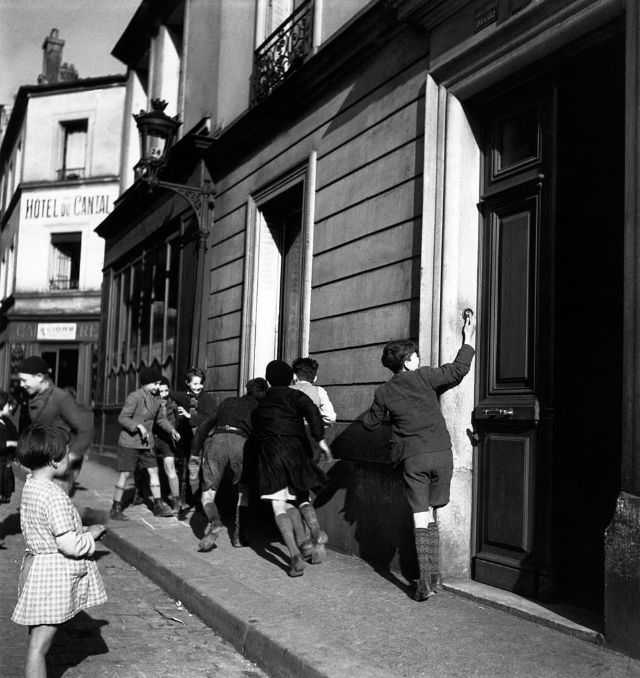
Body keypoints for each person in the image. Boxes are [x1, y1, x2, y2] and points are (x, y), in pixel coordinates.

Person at [362, 310, 476, 601]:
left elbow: (370, 423)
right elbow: (457, 371)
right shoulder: (425, 377)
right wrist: (469, 339)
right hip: (440, 453)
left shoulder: (384, 391)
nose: (418, 358)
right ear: (407, 361)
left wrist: (388, 414)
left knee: (419, 517)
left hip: (412, 457)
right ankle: (434, 577)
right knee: (435, 511)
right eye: (414, 355)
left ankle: (424, 581)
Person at [11, 424, 107, 678]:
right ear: (54, 461)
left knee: (37, 638)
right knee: (39, 646)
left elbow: (50, 528)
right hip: (51, 575)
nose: (69, 458)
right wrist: (91, 534)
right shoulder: (54, 495)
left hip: (35, 568)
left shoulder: (32, 485)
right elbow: (69, 545)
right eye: (66, 454)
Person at [252, 360, 333, 577]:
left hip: (272, 454)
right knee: (302, 496)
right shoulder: (296, 396)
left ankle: (294, 554)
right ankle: (315, 531)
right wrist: (320, 439)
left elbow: (256, 429)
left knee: (279, 506)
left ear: (268, 380)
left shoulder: (262, 401)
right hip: (296, 449)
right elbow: (313, 412)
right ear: (291, 378)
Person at [191, 377, 268, 552]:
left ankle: (215, 521)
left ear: (247, 390)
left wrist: (194, 452)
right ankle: (239, 537)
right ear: (263, 393)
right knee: (243, 492)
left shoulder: (228, 401)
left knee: (208, 494)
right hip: (241, 443)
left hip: (217, 440)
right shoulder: (260, 408)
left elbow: (205, 425)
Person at [110, 366, 181, 520]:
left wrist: (171, 430)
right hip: (130, 442)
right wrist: (137, 426)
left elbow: (161, 419)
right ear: (146, 383)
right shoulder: (134, 397)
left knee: (153, 471)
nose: (157, 386)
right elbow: (123, 418)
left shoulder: (156, 400)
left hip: (146, 443)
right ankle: (115, 508)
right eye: (154, 383)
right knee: (125, 474)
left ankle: (157, 505)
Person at [17, 356, 94, 496]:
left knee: (56, 504)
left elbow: (86, 430)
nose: (22, 385)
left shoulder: (61, 398)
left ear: (39, 377)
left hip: (60, 462)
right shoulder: (31, 397)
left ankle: (95, 517)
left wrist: (70, 458)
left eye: (24, 380)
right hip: (43, 461)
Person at [290, 357, 337, 561]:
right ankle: (312, 542)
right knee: (304, 490)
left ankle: (310, 540)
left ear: (294, 375)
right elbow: (331, 417)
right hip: (312, 443)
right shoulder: (320, 391)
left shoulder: (288, 391)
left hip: (292, 442)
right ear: (315, 376)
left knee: (295, 494)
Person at [172, 367, 217, 501]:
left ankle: (198, 501)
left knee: (200, 470)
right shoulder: (184, 396)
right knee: (185, 469)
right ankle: (184, 499)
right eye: (195, 384)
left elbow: (210, 418)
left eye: (200, 383)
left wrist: (189, 416)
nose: (199, 387)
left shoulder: (207, 399)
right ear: (187, 383)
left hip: (203, 441)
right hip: (187, 439)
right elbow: (170, 394)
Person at [155, 377, 188, 515]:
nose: (164, 394)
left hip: (166, 440)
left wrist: (175, 431)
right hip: (151, 438)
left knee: (170, 466)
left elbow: (174, 423)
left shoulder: (172, 404)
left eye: (166, 390)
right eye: (161, 391)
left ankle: (176, 501)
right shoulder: (150, 403)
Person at [0, 391, 18, 503]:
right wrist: (9, 443)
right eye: (8, 404)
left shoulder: (8, 422)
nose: (11, 408)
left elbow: (16, 437)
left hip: (5, 465)